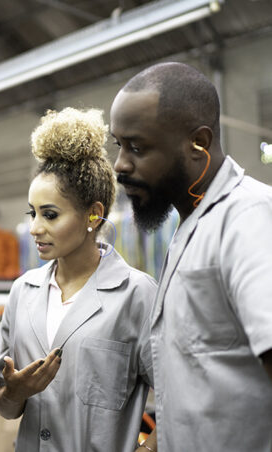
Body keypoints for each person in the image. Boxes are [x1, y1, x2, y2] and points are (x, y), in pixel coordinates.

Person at [110, 62, 272, 451]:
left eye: (138, 147)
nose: (120, 165)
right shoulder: (193, 225)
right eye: (119, 146)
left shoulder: (248, 219)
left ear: (198, 143)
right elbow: (208, 384)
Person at [0, 107, 158, 452]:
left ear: (93, 215)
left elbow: (179, 398)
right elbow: (5, 409)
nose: (35, 228)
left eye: (50, 215)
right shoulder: (23, 293)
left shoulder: (137, 295)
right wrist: (16, 391)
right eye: (32, 213)